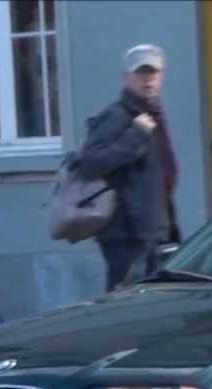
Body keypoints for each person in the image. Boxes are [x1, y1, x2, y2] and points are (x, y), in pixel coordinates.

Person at [77, 44, 181, 293]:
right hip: (126, 233)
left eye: (153, 73)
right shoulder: (118, 115)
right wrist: (135, 136)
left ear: (162, 76)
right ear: (126, 78)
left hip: (152, 229)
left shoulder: (153, 112)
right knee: (125, 301)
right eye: (141, 73)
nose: (148, 80)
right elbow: (90, 163)